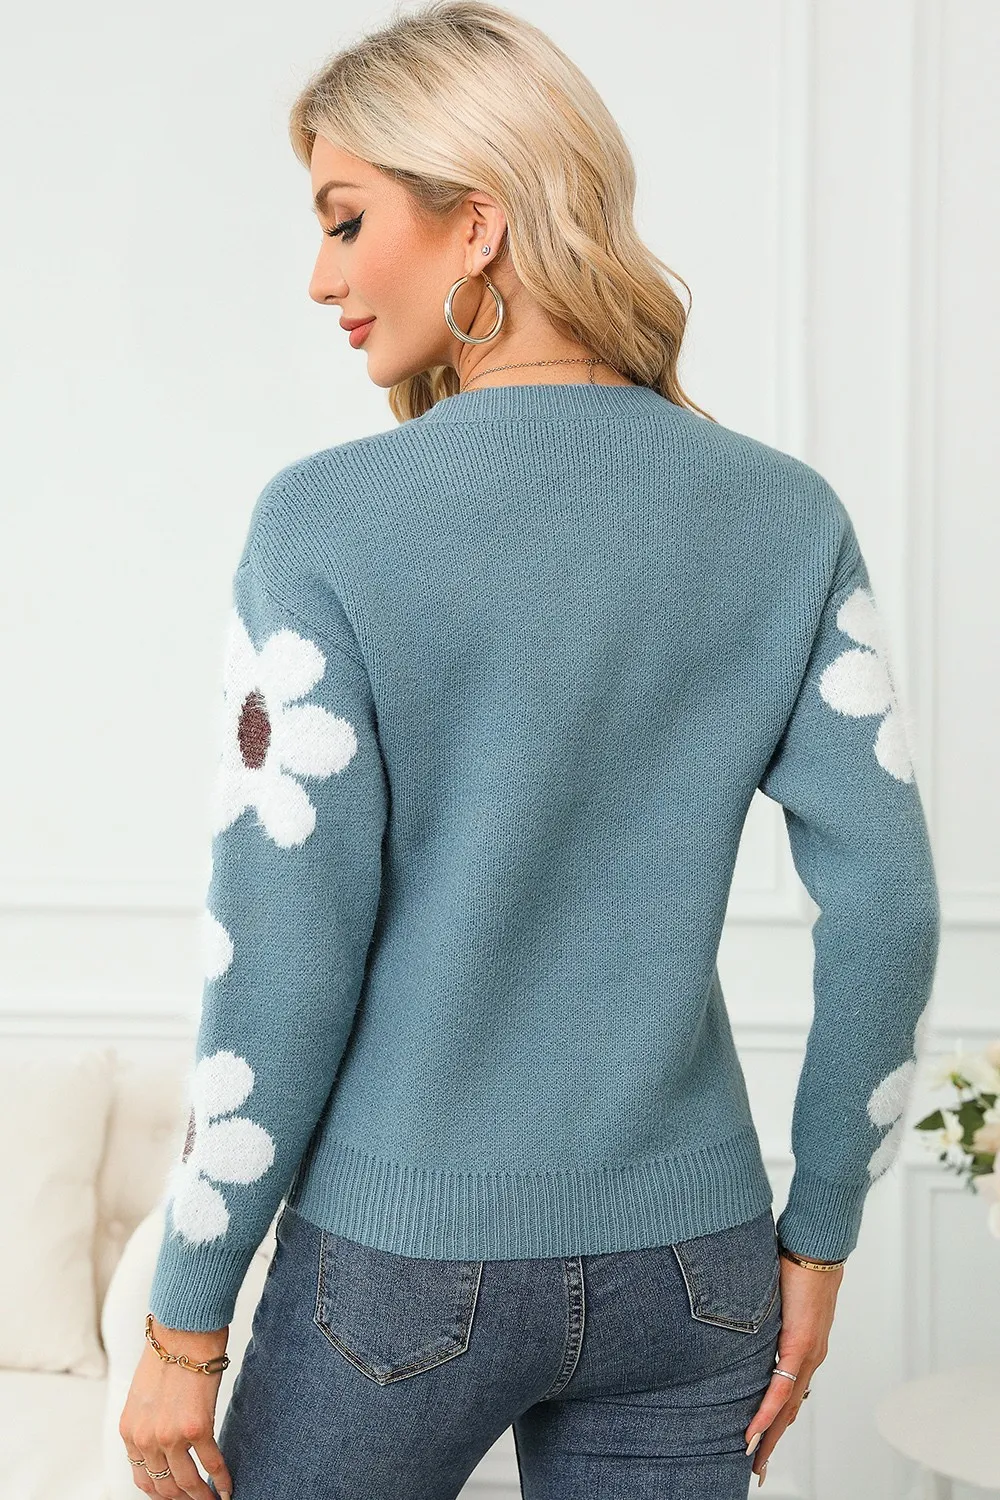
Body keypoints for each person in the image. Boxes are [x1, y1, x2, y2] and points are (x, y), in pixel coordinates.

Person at [118, 3, 941, 1497]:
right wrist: (818, 1237)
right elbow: (889, 906)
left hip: (399, 1268)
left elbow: (284, 950)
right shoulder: (786, 517)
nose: (322, 278)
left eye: (347, 220)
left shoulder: (326, 524)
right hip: (693, 1270)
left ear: (478, 222)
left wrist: (188, 1322)